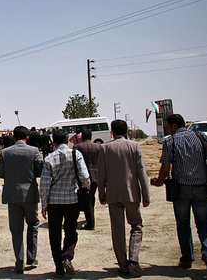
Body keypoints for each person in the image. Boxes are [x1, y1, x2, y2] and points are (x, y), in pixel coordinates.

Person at [150, 113, 207, 275]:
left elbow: (165, 167)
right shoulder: (200, 136)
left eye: (168, 126)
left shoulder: (170, 141)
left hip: (180, 190)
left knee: (183, 224)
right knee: (204, 223)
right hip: (201, 188)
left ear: (174, 126)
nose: (168, 129)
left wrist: (159, 182)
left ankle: (187, 258)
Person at [97, 119, 150, 275]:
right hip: (131, 194)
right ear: (126, 131)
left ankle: (123, 265)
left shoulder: (105, 148)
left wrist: (101, 194)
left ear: (111, 132)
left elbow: (101, 174)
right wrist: (146, 194)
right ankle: (133, 258)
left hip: (113, 195)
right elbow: (142, 172)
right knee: (136, 226)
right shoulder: (134, 146)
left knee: (117, 231)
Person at [40, 128, 90, 277]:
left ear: (53, 141)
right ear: (67, 140)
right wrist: (86, 188)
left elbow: (44, 184)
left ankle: (58, 267)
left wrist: (44, 204)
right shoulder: (75, 154)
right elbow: (84, 176)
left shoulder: (49, 158)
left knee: (54, 234)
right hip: (72, 200)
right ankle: (67, 256)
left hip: (54, 202)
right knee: (70, 230)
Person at [0, 125, 43, 274]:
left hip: (12, 195)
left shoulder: (4, 153)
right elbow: (39, 171)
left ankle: (19, 261)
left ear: (14, 137)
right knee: (33, 224)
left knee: (16, 230)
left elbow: (0, 174)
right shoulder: (34, 151)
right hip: (30, 195)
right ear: (27, 137)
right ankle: (31, 256)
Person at [73, 129, 101, 230]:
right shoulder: (98, 147)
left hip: (82, 177)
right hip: (95, 176)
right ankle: (90, 218)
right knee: (91, 197)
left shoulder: (77, 147)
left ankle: (90, 222)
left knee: (85, 198)